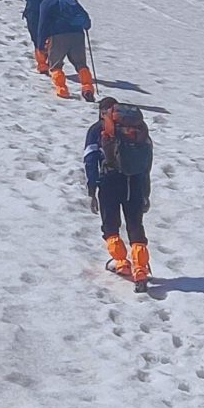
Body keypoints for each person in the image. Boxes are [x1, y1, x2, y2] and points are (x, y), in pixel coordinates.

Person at [84, 95, 154, 282]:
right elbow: (146, 163)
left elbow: (90, 158)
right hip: (135, 181)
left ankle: (121, 262)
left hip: (109, 180)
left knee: (110, 225)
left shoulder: (98, 129)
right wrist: (145, 192)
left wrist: (92, 187)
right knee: (135, 225)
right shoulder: (137, 130)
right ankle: (140, 268)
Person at [33, 0, 96, 100]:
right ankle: (87, 88)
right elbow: (84, 16)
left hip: (58, 36)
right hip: (78, 35)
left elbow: (42, 25)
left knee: (55, 66)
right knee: (81, 64)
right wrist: (86, 26)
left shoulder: (46, 3)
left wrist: (40, 44)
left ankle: (62, 89)